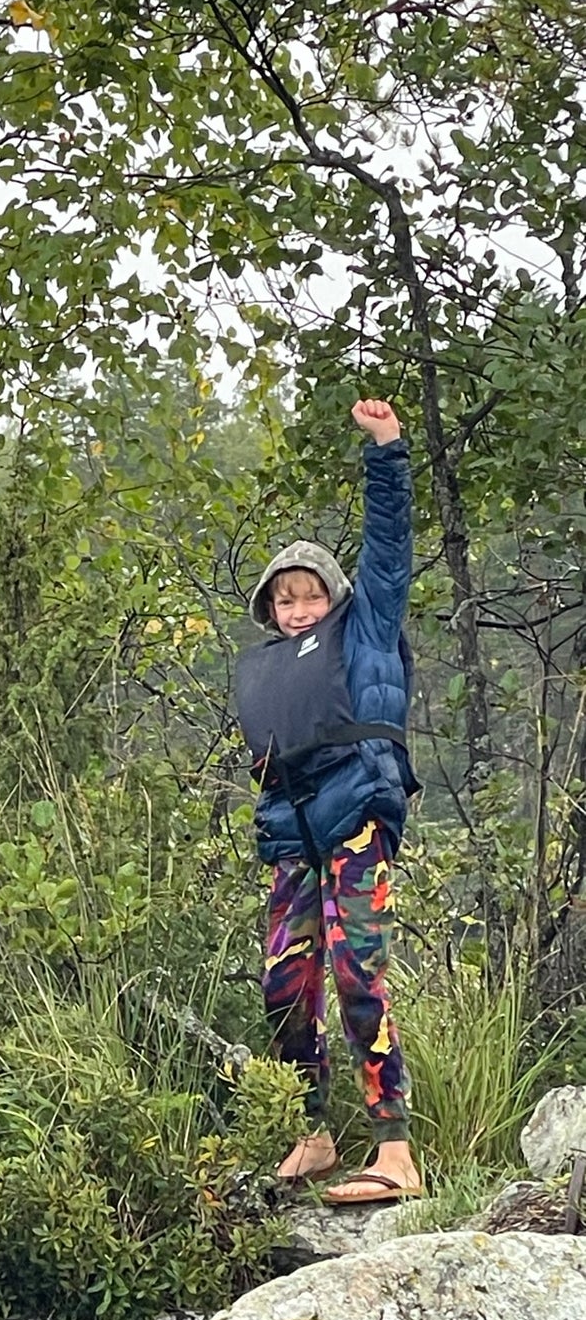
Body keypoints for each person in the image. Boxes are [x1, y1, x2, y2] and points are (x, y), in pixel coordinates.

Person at [234, 399, 422, 1206]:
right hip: (290, 832)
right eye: (285, 601)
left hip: (355, 818)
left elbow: (387, 545)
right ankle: (309, 1133)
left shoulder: (366, 624)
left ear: (333, 597)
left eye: (310, 596)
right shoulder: (272, 663)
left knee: (355, 971)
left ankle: (395, 1149)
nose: (298, 609)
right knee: (284, 983)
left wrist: (386, 449)